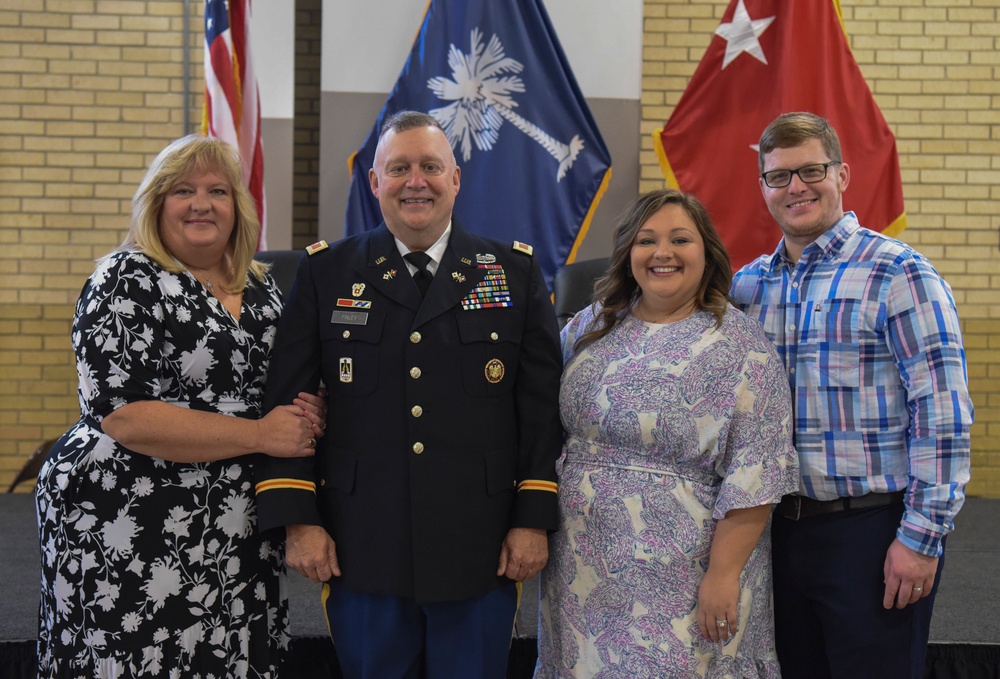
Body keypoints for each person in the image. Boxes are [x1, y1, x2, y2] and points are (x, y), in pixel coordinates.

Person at [254, 110, 564, 679]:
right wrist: (299, 520)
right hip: (362, 541)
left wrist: (533, 517)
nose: (415, 181)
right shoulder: (327, 273)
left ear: (456, 178)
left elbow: (541, 410)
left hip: (481, 543)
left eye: (430, 167)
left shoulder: (510, 272)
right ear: (375, 182)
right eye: (398, 168)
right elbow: (287, 406)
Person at [35, 134, 327, 678]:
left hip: (236, 526)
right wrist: (262, 435)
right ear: (155, 204)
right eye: (182, 190)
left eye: (218, 190)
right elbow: (123, 414)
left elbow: (291, 382)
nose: (201, 203)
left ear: (237, 208)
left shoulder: (264, 288)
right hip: (126, 521)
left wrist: (314, 410)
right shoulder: (125, 278)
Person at [730, 112, 974, 678]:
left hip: (869, 532)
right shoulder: (749, 286)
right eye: (779, 176)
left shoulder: (898, 273)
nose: (796, 187)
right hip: (773, 536)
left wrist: (920, 538)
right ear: (763, 188)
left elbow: (942, 413)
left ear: (842, 174)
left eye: (811, 170)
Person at [535, 189, 798, 678]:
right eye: (646, 240)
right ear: (627, 253)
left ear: (707, 253)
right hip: (582, 572)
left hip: (688, 573)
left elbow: (756, 474)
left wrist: (722, 575)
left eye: (681, 239)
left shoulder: (741, 344)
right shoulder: (591, 324)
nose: (663, 253)